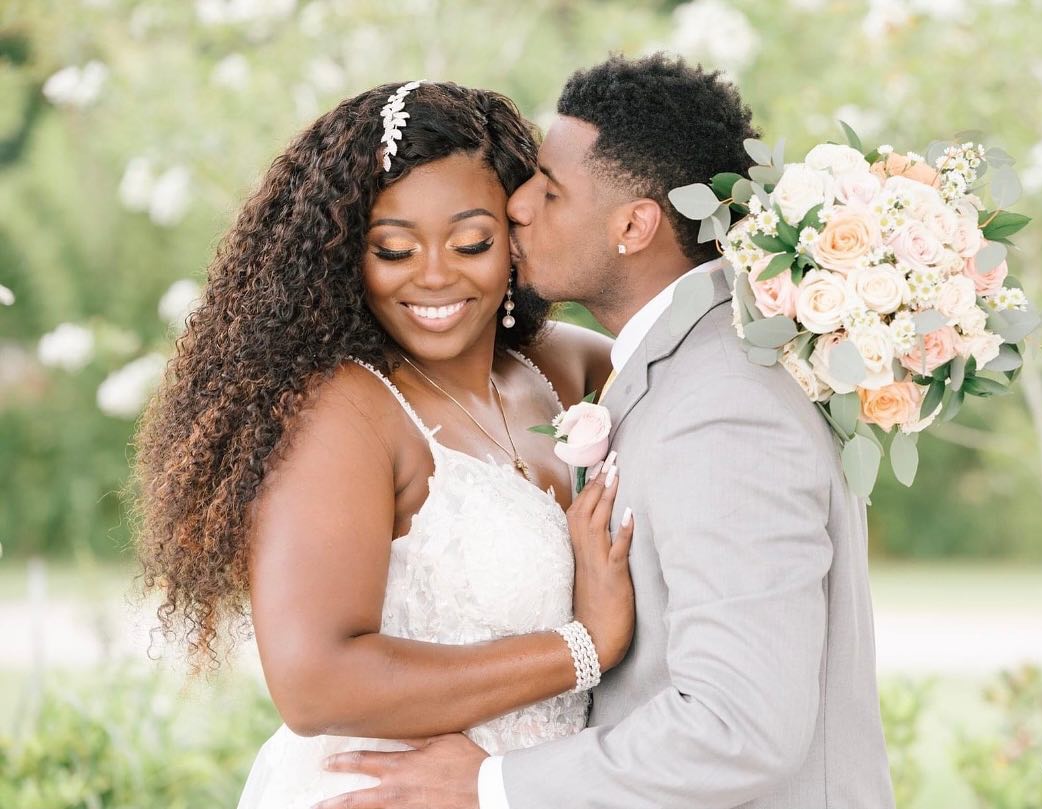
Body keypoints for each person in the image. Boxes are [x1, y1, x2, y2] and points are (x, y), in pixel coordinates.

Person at [319, 54, 896, 809]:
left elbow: (741, 723)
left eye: (551, 191)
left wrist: (489, 784)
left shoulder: (725, 408)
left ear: (634, 224)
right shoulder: (670, 365)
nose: (517, 206)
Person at [130, 80, 635, 809]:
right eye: (394, 249)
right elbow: (314, 682)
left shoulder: (553, 366)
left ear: (516, 232)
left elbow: (682, 359)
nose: (435, 275)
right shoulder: (347, 410)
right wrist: (584, 646)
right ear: (344, 255)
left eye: (472, 242)